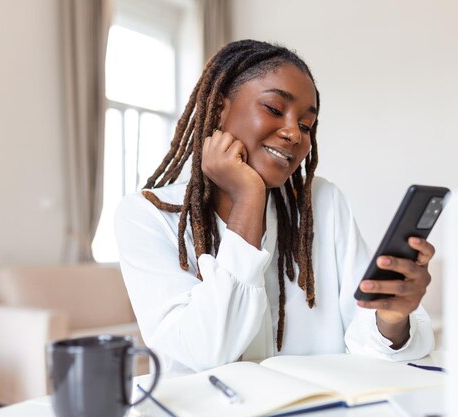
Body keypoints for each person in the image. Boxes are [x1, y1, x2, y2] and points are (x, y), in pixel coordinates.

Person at [115, 39, 436, 373]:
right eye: (273, 109)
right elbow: (204, 352)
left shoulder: (322, 203)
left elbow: (367, 339)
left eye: (305, 125)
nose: (294, 134)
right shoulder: (146, 215)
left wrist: (392, 318)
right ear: (219, 110)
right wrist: (249, 198)